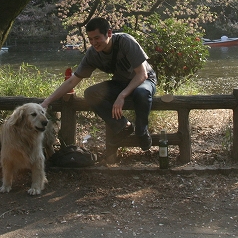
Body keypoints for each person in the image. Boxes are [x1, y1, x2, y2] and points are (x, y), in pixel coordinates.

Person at [41, 17, 157, 163]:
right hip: (121, 82)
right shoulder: (93, 54)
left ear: (108, 33)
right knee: (90, 93)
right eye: (90, 39)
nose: (94, 43)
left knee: (141, 92)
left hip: (144, 81)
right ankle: (123, 126)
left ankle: (142, 130)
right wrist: (47, 101)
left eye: (97, 38)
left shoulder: (125, 41)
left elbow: (142, 74)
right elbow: (72, 80)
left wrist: (122, 96)